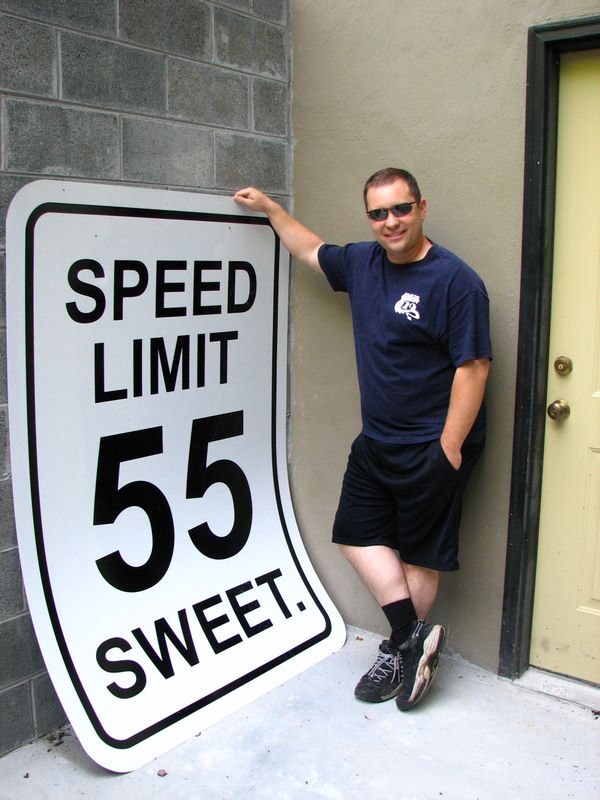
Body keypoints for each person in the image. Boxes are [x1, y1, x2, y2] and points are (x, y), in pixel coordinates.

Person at [233, 168, 491, 711]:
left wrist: (448, 448)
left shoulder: (455, 281)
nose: (389, 222)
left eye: (400, 209)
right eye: (378, 213)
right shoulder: (362, 263)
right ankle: (412, 638)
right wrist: (272, 210)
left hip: (433, 443)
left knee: (419, 555)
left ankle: (397, 654)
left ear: (421, 207)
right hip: (377, 439)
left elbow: (473, 368)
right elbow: (310, 249)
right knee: (355, 533)